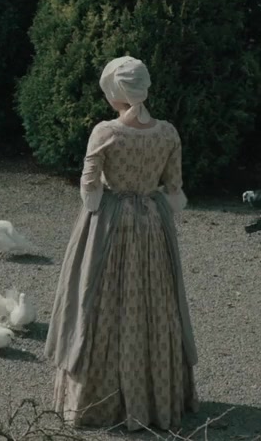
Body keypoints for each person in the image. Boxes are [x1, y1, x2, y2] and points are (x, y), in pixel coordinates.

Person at [43, 55, 199, 432]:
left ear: (117, 91)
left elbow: (89, 187)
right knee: (154, 302)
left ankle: (98, 403)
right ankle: (155, 398)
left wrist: (102, 198)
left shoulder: (105, 132)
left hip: (109, 222)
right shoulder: (168, 133)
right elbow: (174, 188)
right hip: (152, 224)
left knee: (97, 298)